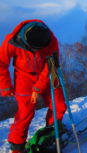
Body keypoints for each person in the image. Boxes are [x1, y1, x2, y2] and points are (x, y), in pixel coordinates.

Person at [0, 19, 67, 153]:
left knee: (59, 105)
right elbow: (1, 62)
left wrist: (38, 88)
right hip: (24, 77)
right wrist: (6, 86)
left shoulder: (50, 40)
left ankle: (51, 131)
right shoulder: (13, 40)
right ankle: (17, 145)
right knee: (26, 113)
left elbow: (51, 66)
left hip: (47, 75)